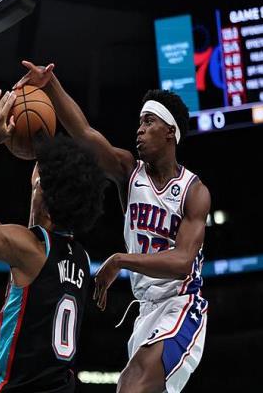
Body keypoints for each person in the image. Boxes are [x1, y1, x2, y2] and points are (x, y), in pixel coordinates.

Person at [14, 63, 211, 393]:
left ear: (170, 132)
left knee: (130, 385)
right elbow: (84, 134)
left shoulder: (194, 191)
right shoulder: (128, 172)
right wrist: (50, 85)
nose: (139, 130)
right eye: (139, 123)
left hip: (182, 305)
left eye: (148, 122)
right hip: (146, 311)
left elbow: (182, 262)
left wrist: (119, 260)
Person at [0, 89, 107, 393]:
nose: (34, 174)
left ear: (45, 197)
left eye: (39, 177)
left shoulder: (31, 248)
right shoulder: (82, 259)